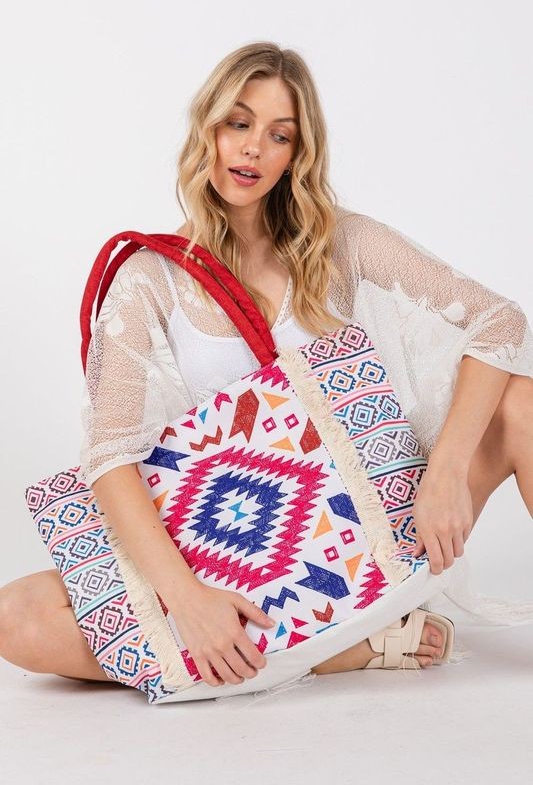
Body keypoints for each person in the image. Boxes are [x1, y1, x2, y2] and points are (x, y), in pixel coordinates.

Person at [1, 42, 532, 689]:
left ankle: (290, 649)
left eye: (279, 135)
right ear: (207, 129)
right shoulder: (148, 280)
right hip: (227, 564)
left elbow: (500, 322)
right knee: (16, 615)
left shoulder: (343, 243)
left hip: (373, 538)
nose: (253, 148)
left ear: (296, 155)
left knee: (522, 403)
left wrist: (445, 472)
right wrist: (188, 601)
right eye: (238, 123)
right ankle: (335, 650)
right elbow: (111, 458)